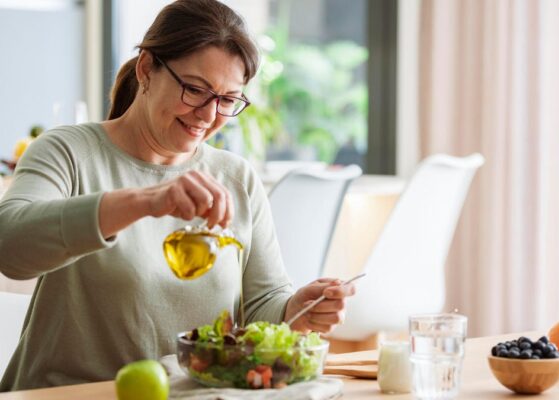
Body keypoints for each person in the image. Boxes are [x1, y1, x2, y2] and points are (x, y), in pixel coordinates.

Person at [0, 0, 356, 391]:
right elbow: (10, 248)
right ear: (147, 68)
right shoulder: (67, 151)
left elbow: (261, 306)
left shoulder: (236, 177)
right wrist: (146, 200)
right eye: (194, 89)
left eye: (226, 100)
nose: (207, 115)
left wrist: (297, 311)